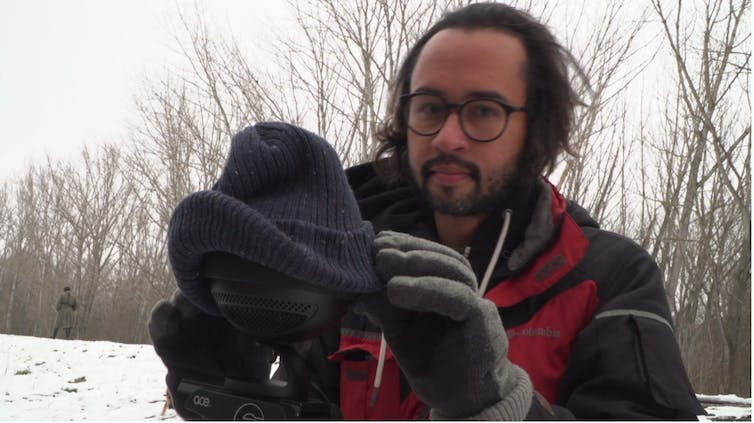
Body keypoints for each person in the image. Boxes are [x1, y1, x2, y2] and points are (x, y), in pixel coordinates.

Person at [149, 3, 705, 420]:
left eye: (483, 111)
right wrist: (239, 394)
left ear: (536, 127)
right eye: (430, 107)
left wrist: (495, 407)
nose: (449, 137)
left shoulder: (609, 277)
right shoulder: (338, 262)